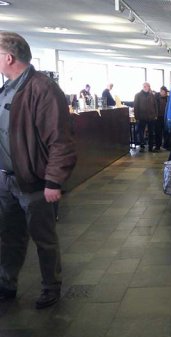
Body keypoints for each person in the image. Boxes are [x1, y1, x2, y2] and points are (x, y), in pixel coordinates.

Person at [0, 32, 77, 308]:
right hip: (5, 179)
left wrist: (53, 181)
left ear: (9, 58)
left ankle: (50, 286)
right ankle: (6, 283)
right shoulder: (7, 89)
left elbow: (60, 140)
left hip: (33, 180)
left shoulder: (42, 88)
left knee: (43, 237)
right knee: (8, 236)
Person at [133, 82, 158, 152]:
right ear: (143, 87)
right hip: (141, 117)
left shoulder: (152, 95)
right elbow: (135, 107)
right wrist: (137, 117)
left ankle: (150, 147)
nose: (147, 87)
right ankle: (142, 146)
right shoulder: (137, 95)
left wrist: (156, 115)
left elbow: (155, 105)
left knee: (151, 133)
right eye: (146, 86)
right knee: (141, 132)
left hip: (151, 117)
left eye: (148, 86)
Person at [155, 86, 169, 150]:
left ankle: (166, 145)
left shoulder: (168, 98)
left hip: (166, 117)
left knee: (166, 132)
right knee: (158, 132)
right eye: (164, 92)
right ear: (160, 91)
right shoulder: (156, 98)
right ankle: (158, 146)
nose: (165, 93)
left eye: (165, 92)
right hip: (158, 117)